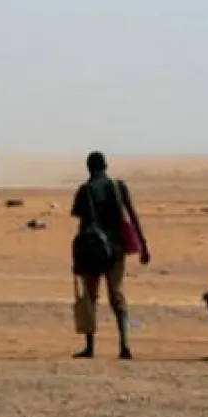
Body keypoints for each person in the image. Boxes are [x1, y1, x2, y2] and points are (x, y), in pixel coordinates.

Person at [71, 151, 151, 360]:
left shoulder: (85, 190)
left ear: (89, 168)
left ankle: (90, 347)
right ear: (106, 166)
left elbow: (82, 224)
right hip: (116, 249)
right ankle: (124, 344)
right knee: (116, 294)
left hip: (93, 249)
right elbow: (132, 216)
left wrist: (77, 257)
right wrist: (143, 244)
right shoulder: (118, 186)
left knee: (90, 296)